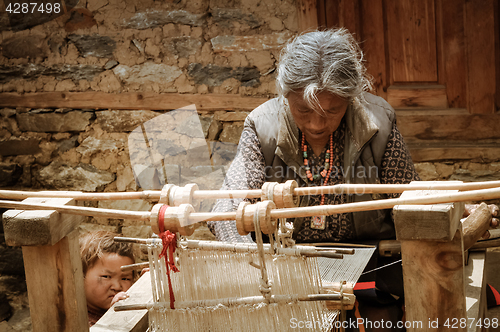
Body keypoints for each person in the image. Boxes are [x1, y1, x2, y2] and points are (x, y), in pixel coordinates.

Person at [207, 28, 498, 331]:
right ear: (285, 95)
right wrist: (251, 265)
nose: (317, 123)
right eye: (303, 110)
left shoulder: (377, 123)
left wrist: (446, 208)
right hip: (290, 272)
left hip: (372, 267)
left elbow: (409, 194)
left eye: (332, 110)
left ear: (351, 96)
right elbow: (227, 208)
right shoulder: (261, 127)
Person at [79, 231, 135, 327]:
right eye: (106, 277)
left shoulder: (132, 309)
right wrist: (114, 317)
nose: (117, 287)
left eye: (125, 278)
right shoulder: (74, 320)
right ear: (81, 276)